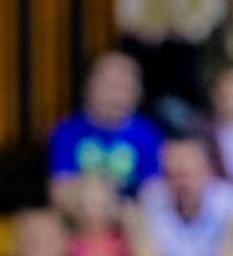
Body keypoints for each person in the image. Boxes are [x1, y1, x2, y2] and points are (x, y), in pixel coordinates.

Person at [138, 137, 233, 256]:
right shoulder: (150, 198)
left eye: (187, 175)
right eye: (172, 175)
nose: (181, 184)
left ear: (207, 172)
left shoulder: (232, 204)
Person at [49, 52, 165, 210]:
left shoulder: (148, 133)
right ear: (88, 87)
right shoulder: (67, 131)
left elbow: (154, 190)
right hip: (81, 213)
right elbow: (60, 191)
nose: (116, 96)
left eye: (125, 88)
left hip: (131, 215)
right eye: (110, 86)